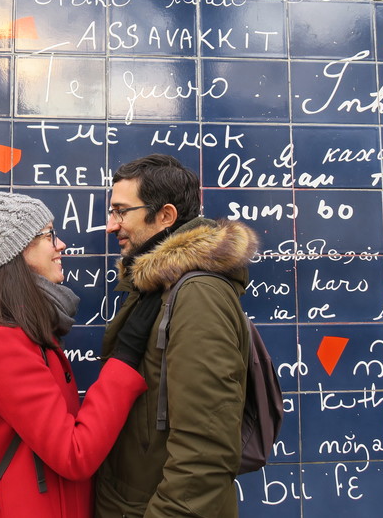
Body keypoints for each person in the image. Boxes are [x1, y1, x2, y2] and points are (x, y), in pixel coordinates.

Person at [0, 176, 162, 518]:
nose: (61, 244)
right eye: (49, 235)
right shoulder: (1, 343)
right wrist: (124, 358)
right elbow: (74, 454)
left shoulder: (20, 332)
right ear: (16, 252)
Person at [95, 154, 259, 518]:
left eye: (121, 211)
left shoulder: (198, 295)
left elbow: (206, 449)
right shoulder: (155, 288)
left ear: (166, 216)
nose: (111, 226)